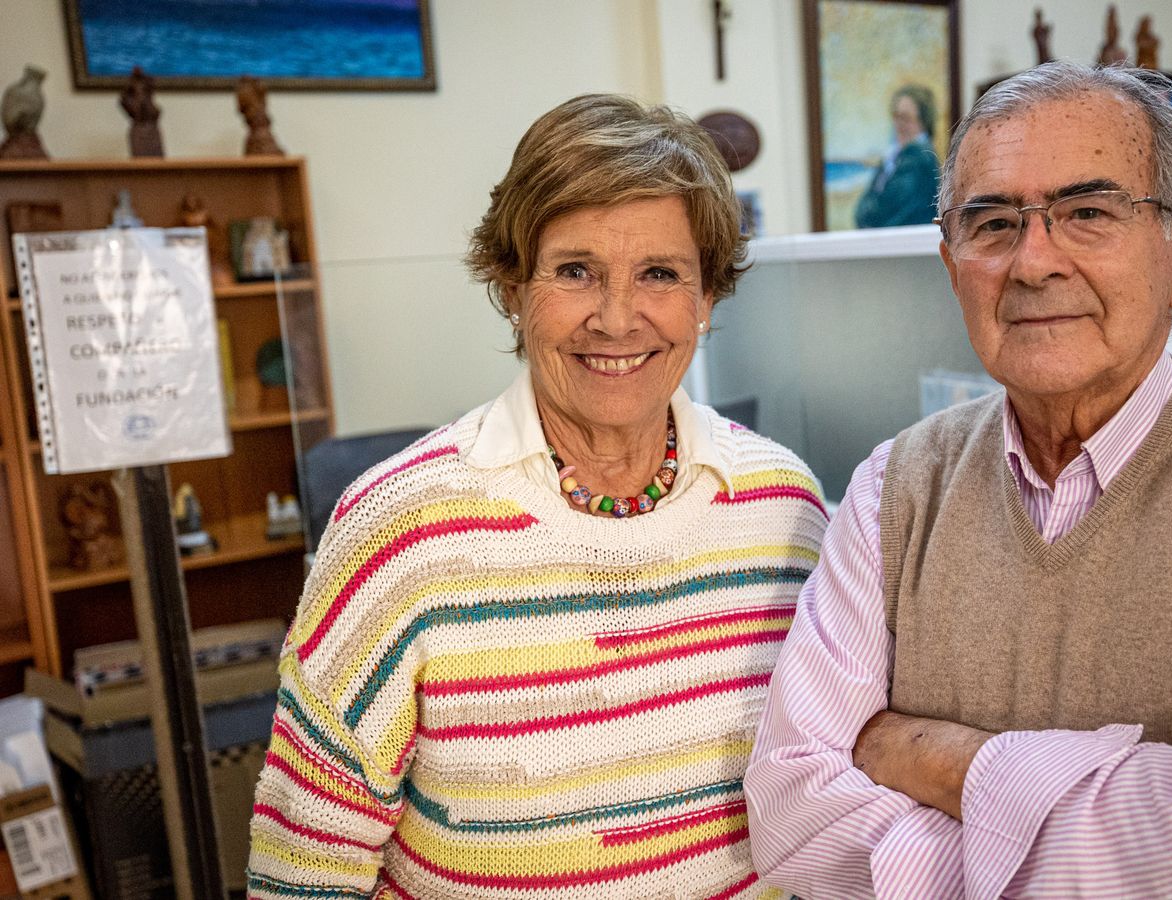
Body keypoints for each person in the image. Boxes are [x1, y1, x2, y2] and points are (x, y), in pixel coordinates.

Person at [747, 61, 1172, 899]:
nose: (1032, 262)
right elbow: (790, 817)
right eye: (991, 224)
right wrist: (1162, 795)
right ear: (953, 267)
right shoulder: (891, 489)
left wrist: (927, 754)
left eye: (1087, 213)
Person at [247, 94, 828, 899]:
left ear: (707, 298)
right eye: (576, 272)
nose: (617, 318)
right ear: (513, 287)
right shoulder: (399, 530)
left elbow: (822, 801)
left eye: (660, 273)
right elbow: (302, 873)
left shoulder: (788, 511)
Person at [854, 84, 940, 229]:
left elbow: (878, 216)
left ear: (923, 121)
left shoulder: (919, 158)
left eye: (905, 118)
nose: (899, 124)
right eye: (896, 116)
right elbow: (861, 213)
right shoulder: (896, 157)